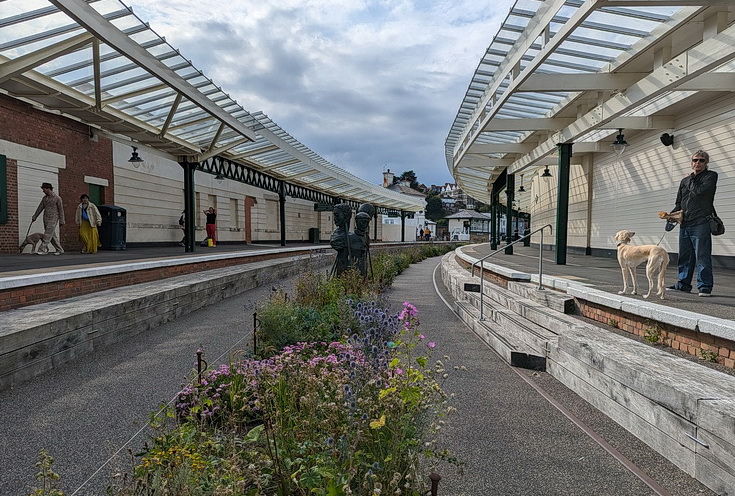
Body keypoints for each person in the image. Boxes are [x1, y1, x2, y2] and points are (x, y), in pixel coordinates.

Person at [667, 150, 718, 297]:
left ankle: (705, 286)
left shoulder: (710, 176)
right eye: (695, 160)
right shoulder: (685, 182)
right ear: (691, 162)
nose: (698, 163)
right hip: (685, 223)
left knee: (702, 255)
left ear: (706, 163)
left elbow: (699, 192)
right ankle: (683, 284)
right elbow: (679, 202)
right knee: (685, 256)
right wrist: (671, 215)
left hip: (701, 222)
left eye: (702, 160)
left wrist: (691, 179)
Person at [32, 182, 65, 255]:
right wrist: (35, 216)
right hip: (46, 218)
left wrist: (62, 220)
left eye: (44, 189)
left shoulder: (57, 198)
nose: (43, 191)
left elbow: (61, 210)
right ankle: (59, 249)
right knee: (52, 235)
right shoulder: (44, 198)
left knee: (47, 234)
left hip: (54, 218)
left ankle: (42, 249)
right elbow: (40, 207)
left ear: (48, 189)